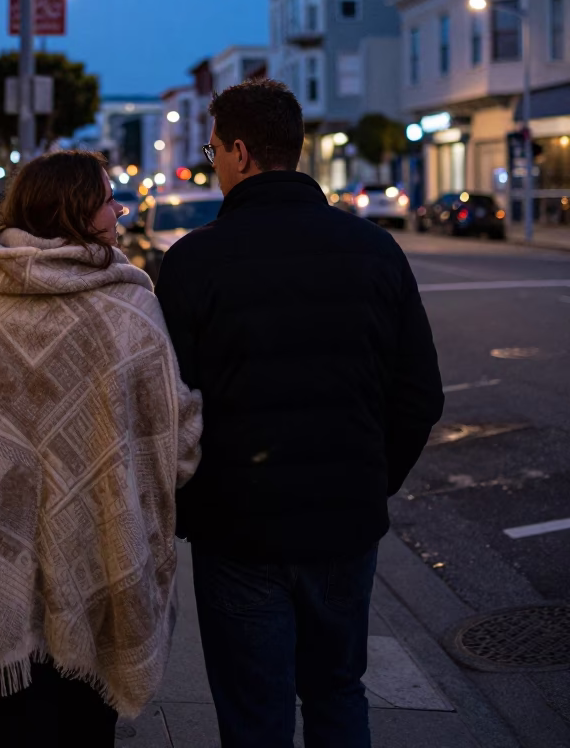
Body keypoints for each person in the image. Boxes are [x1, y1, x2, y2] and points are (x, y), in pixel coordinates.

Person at [0, 150, 202, 748]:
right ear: (75, 209)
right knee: (86, 726)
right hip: (99, 546)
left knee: (14, 726)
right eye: (108, 198)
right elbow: (173, 440)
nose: (118, 209)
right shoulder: (127, 306)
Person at [155, 80, 444, 748]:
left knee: (256, 713)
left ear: (240, 152)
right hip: (345, 521)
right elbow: (420, 395)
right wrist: (373, 479)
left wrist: (188, 500)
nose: (213, 161)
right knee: (339, 692)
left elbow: (166, 407)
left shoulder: (195, 262)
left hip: (239, 531)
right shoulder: (374, 251)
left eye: (213, 148)